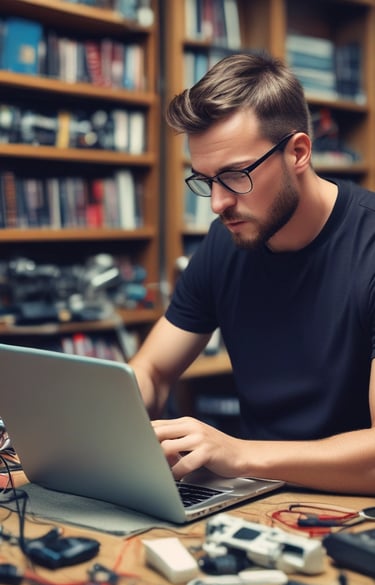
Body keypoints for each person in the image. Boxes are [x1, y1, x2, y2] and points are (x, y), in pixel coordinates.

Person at [130, 51, 375, 496]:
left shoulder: (369, 247)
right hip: (252, 498)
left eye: (235, 176)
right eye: (205, 180)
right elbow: (152, 370)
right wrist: (108, 421)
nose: (217, 203)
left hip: (349, 511)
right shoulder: (223, 244)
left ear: (298, 151)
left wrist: (238, 453)